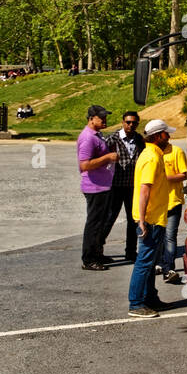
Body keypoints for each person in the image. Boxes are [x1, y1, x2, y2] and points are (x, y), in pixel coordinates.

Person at [129, 119, 176, 317]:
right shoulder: (152, 158)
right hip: (150, 219)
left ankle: (150, 298)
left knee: (149, 262)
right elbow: (144, 190)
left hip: (155, 217)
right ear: (158, 136)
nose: (169, 136)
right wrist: (142, 221)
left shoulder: (152, 154)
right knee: (144, 262)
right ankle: (137, 303)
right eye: (166, 133)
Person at [77, 105, 119, 271]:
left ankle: (97, 253)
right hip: (94, 187)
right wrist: (108, 157)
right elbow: (85, 164)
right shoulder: (88, 138)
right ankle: (88, 259)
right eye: (101, 117)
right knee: (93, 224)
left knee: (101, 223)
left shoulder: (97, 135)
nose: (104, 120)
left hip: (102, 185)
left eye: (105, 117)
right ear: (91, 118)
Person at [105, 111, 144, 262]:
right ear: (123, 122)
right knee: (109, 218)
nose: (131, 125)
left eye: (134, 123)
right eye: (128, 122)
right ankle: (98, 249)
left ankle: (131, 251)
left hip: (132, 186)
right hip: (115, 186)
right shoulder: (113, 139)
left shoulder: (139, 140)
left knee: (132, 219)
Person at [157, 135, 187, 283]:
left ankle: (169, 269)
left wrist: (165, 178)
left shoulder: (176, 151)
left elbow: (184, 174)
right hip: (156, 203)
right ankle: (158, 263)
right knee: (157, 237)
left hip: (173, 201)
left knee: (170, 236)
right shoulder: (152, 152)